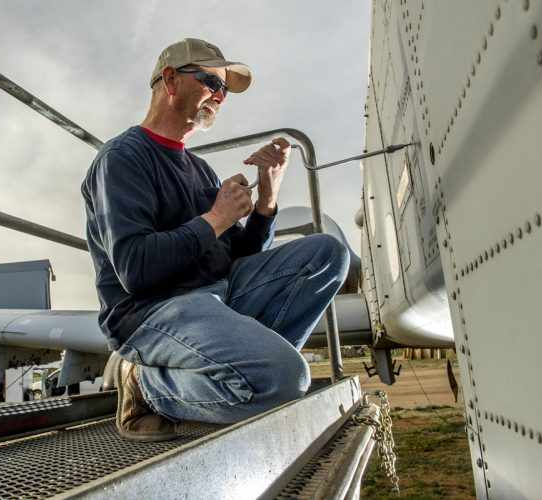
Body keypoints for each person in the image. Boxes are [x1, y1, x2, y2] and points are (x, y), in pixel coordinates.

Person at [82, 38, 349, 442]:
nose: (221, 96)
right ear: (170, 80)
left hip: (215, 295)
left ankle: (245, 376)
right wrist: (216, 217)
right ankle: (145, 385)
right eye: (211, 81)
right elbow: (136, 269)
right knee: (286, 380)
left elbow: (240, 256)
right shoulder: (122, 158)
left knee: (328, 253)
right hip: (153, 311)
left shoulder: (201, 170)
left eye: (225, 89)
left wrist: (267, 198)